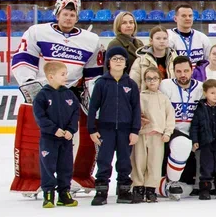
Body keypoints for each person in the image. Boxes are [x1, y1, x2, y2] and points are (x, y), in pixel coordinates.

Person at [87, 45, 141, 205]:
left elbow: (136, 108)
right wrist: (92, 129)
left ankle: (124, 191)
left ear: (126, 63)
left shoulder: (131, 84)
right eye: (114, 59)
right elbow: (93, 107)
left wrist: (135, 130)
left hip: (125, 130)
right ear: (108, 62)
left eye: (122, 59)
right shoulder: (101, 83)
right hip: (106, 129)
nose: (118, 61)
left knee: (124, 161)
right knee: (104, 161)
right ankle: (101, 192)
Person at [32, 61, 81, 208]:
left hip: (66, 139)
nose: (66, 77)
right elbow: (40, 117)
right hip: (49, 139)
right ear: (51, 77)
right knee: (48, 166)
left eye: (66, 73)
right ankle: (48, 194)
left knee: (65, 166)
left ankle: (64, 194)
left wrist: (71, 130)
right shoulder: (41, 96)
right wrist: (53, 129)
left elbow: (75, 114)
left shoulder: (69, 94)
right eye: (63, 74)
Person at [159, 56, 204, 197]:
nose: (182, 74)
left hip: (194, 132)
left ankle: (206, 180)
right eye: (178, 71)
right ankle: (172, 182)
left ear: (192, 70)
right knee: (182, 143)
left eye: (186, 70)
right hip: (172, 131)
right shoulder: (165, 85)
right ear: (173, 71)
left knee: (187, 190)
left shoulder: (201, 87)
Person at [132, 67, 175, 204]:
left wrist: (167, 132)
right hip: (141, 135)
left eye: (155, 78)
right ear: (144, 80)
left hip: (157, 135)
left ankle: (151, 189)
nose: (152, 81)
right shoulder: (139, 97)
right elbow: (133, 113)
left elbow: (170, 117)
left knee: (155, 163)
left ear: (160, 80)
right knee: (138, 162)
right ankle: (138, 187)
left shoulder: (163, 99)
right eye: (149, 78)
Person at [169, 4, 210, 68]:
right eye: (184, 16)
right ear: (175, 18)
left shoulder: (202, 37)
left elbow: (208, 61)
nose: (188, 18)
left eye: (190, 16)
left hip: (199, 76)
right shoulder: (168, 37)